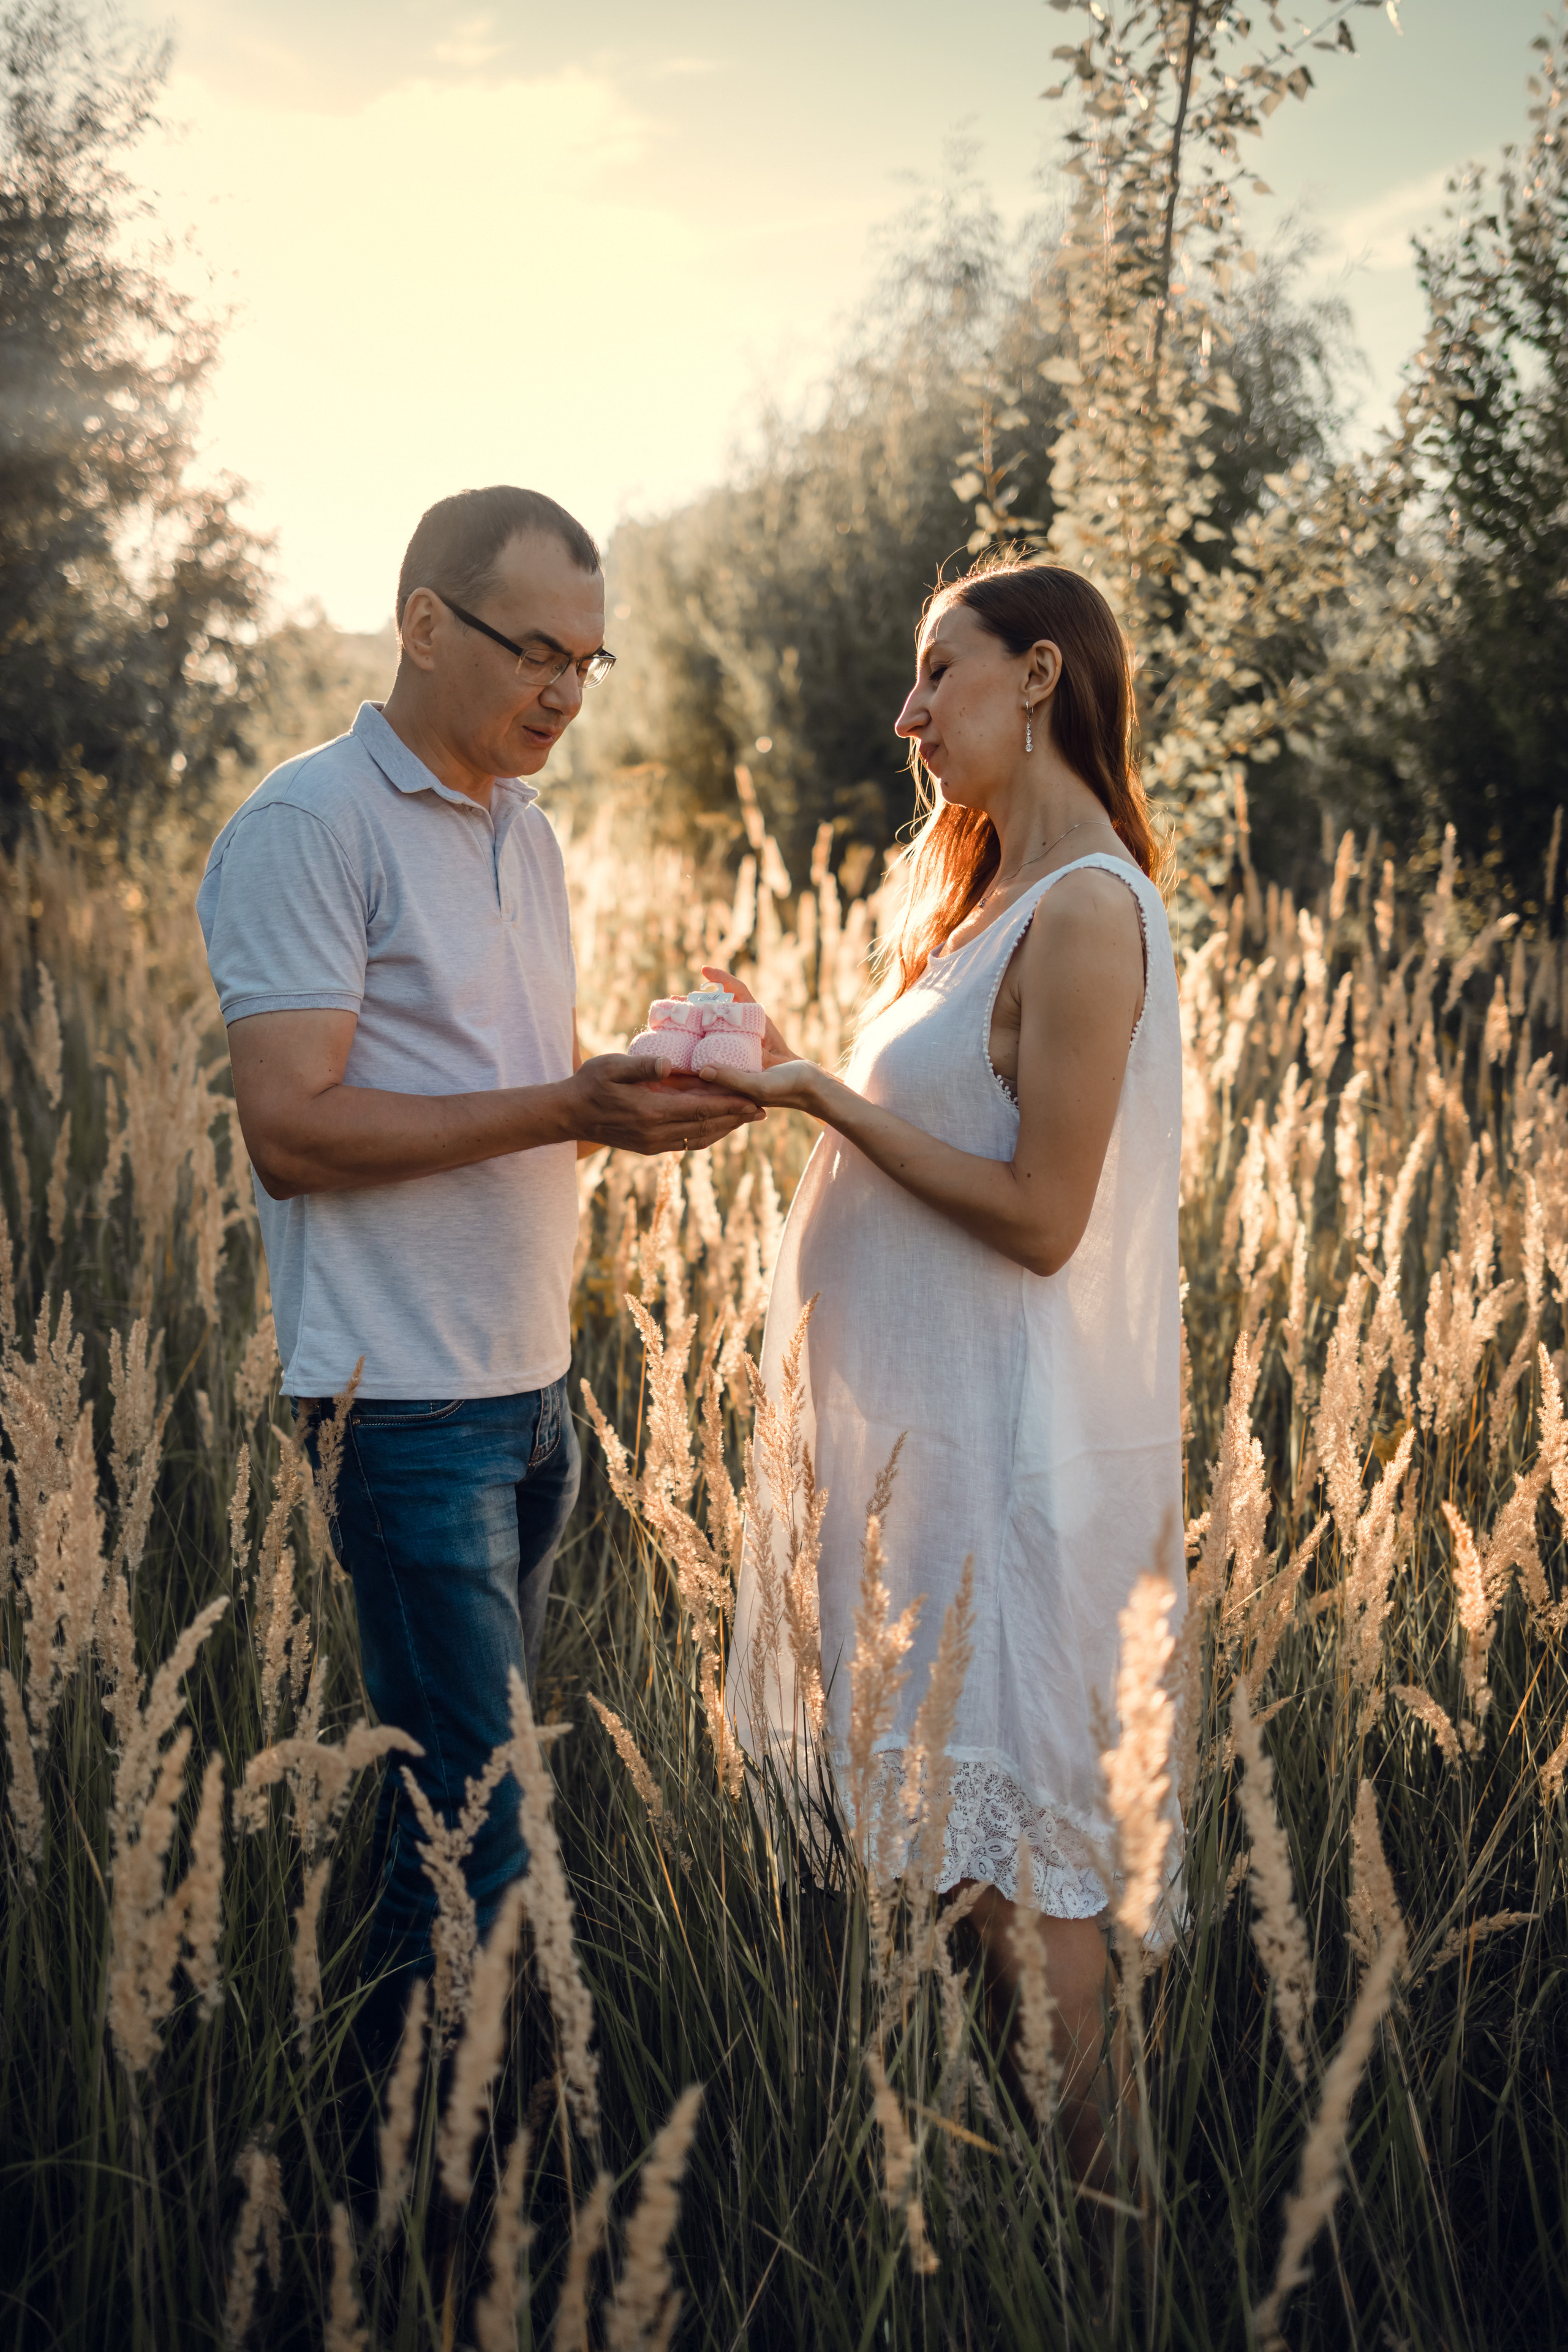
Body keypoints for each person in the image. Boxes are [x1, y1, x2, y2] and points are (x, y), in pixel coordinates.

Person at [197, 485, 758, 2041]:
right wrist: (566, 1105)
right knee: (483, 1847)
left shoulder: (530, 828)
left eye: (590, 661)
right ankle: (426, 2174)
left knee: (451, 1823)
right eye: (537, 652)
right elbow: (291, 1132)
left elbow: (500, 1094)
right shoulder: (309, 826)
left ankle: (420, 2137)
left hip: (528, 1396)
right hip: (401, 1409)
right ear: (424, 624)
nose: (568, 692)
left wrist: (632, 1104)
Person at [704, 556, 1184, 2178]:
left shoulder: (1090, 909)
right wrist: (788, 1067)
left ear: (1039, 675)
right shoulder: (982, 904)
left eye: (938, 672)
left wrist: (821, 1100)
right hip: (916, 1465)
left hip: (994, 1469)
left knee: (1022, 1891)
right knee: (959, 1875)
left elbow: (1044, 1217)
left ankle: (1120, 2255)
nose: (906, 716)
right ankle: (1029, 2225)